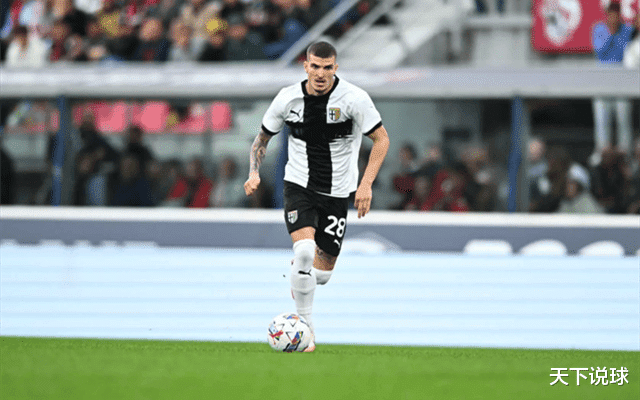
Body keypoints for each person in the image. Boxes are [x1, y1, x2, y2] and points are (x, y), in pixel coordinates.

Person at [243, 41, 389, 352]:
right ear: (306, 66)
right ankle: (306, 329)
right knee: (305, 252)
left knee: (321, 275)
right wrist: (254, 172)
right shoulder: (288, 98)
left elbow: (381, 139)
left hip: (337, 193)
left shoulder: (354, 99)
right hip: (299, 185)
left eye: (327, 68)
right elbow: (261, 139)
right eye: (315, 67)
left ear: (335, 68)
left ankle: (302, 273)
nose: (321, 74)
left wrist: (366, 185)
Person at [591, 2, 634, 161]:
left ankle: (625, 152)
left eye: (616, 13)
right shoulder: (599, 28)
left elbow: (627, 52)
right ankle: (602, 151)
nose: (614, 16)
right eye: (611, 13)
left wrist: (618, 31)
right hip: (602, 76)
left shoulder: (628, 29)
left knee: (623, 116)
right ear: (607, 14)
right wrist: (611, 33)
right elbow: (600, 51)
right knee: (602, 117)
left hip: (622, 76)